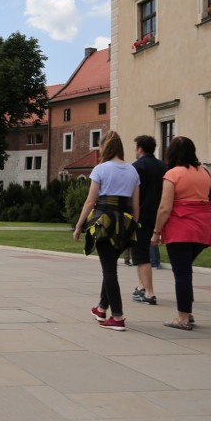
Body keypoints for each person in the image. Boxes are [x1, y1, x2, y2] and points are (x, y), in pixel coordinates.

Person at [152, 136, 211, 331]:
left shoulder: (172, 175)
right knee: (185, 272)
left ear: (172, 153)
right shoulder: (205, 173)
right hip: (201, 230)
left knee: (182, 274)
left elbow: (164, 208)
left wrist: (156, 232)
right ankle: (188, 312)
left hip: (180, 229)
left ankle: (183, 317)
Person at [73, 131, 140, 332]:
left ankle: (117, 317)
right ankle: (102, 308)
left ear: (106, 147)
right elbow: (136, 206)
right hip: (125, 223)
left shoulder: (101, 169)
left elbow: (90, 201)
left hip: (104, 222)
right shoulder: (132, 171)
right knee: (109, 265)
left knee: (109, 270)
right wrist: (132, 227)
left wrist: (79, 225)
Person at [131, 135, 167, 305]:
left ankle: (149, 293)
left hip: (141, 216)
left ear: (140, 148)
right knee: (141, 254)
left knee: (141, 254)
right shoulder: (163, 166)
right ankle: (141, 286)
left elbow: (133, 193)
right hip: (159, 214)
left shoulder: (137, 167)